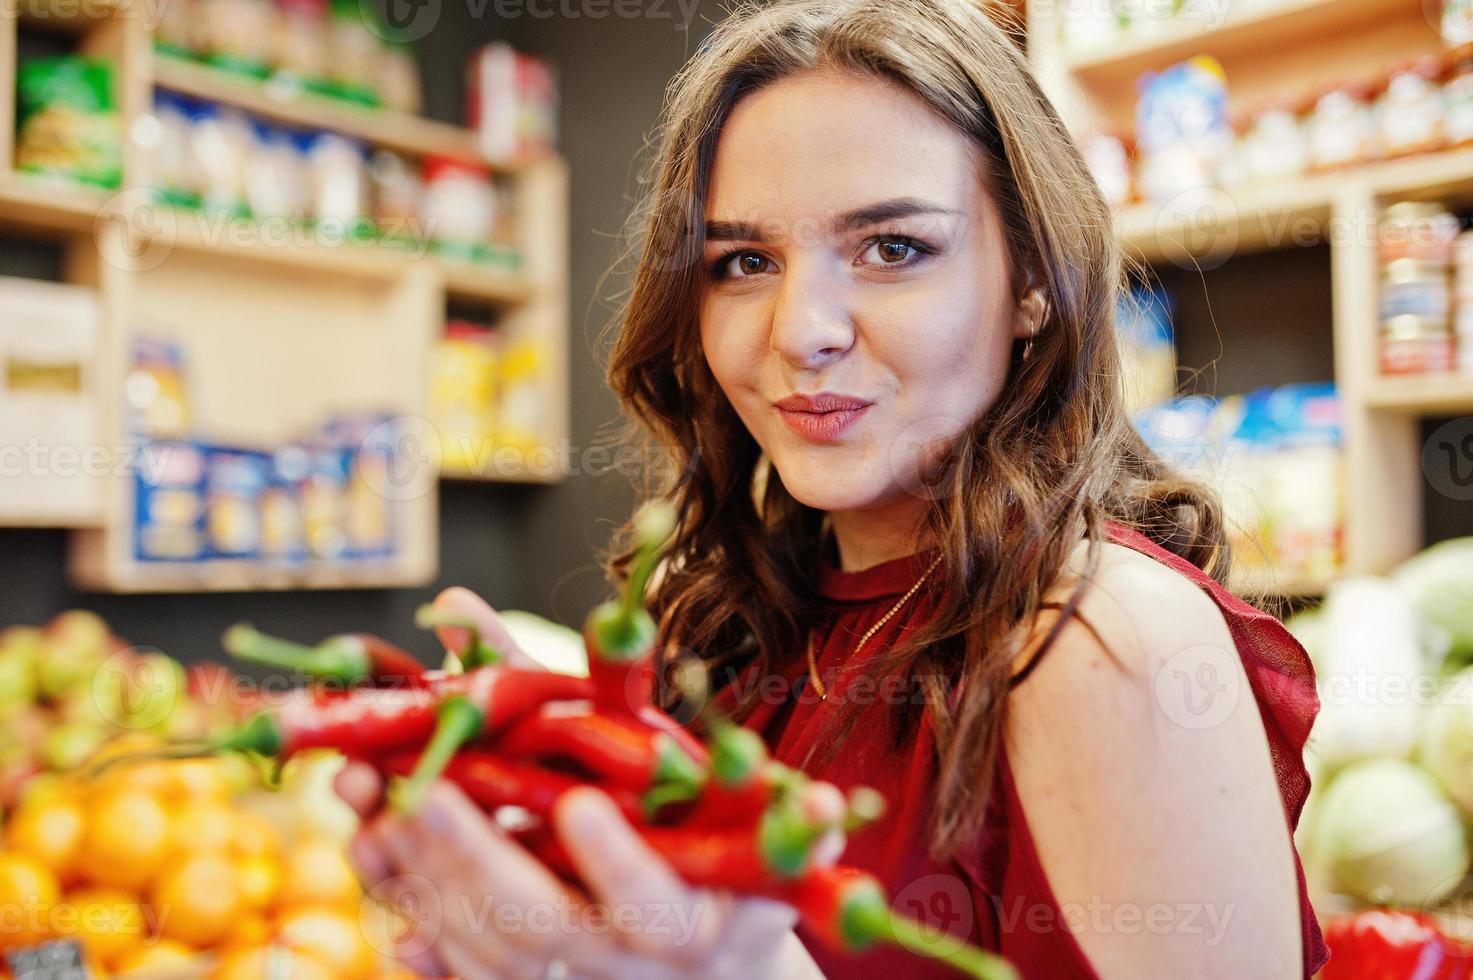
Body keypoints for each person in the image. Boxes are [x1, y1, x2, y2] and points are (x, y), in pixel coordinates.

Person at [338, 1, 1327, 976]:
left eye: (892, 248)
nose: (800, 327)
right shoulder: (742, 623)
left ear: (1033, 278)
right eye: (744, 261)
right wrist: (567, 810)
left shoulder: (1101, 639)